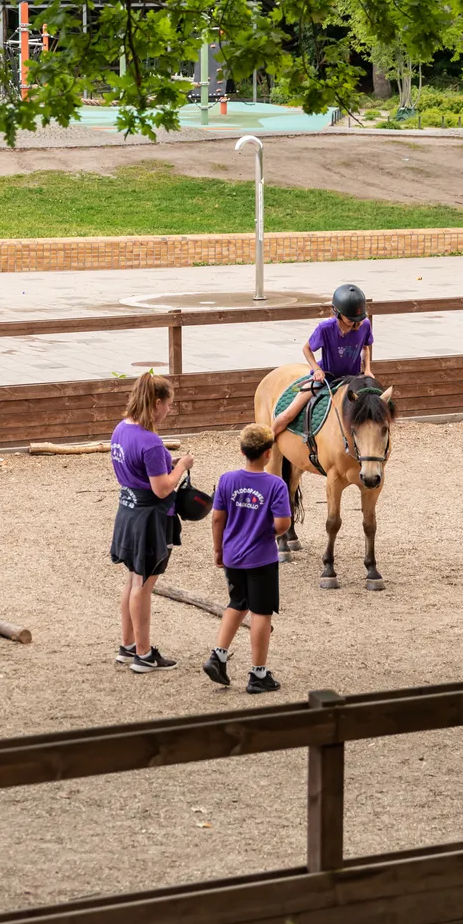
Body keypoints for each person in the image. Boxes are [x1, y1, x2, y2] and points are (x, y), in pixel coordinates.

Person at [110, 371, 194, 673]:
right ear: (156, 403)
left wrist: (165, 466)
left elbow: (139, 471)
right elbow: (162, 488)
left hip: (128, 511)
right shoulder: (152, 442)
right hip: (150, 517)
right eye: (168, 405)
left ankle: (128, 645)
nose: (169, 410)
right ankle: (144, 655)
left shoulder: (121, 430)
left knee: (132, 579)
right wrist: (181, 466)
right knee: (143, 587)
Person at [203, 424, 292, 694]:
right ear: (268, 453)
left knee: (236, 603)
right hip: (261, 558)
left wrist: (218, 549)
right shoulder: (275, 484)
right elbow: (283, 523)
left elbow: (218, 517)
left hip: (232, 555)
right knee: (261, 612)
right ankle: (258, 674)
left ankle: (218, 655)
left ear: (242, 450)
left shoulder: (227, 480)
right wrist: (266, 531)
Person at [272, 284, 375, 436]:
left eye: (356, 318)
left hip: (353, 378)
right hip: (326, 377)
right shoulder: (325, 328)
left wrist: (367, 370)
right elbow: (306, 349)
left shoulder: (364, 324)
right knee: (290, 413)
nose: (353, 322)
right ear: (337, 312)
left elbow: (366, 347)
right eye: (349, 318)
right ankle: (269, 438)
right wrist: (317, 369)